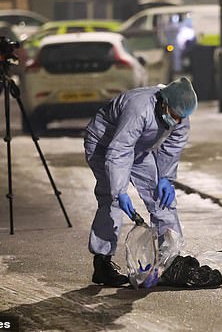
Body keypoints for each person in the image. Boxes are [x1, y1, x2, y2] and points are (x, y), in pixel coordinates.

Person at [84, 77, 198, 286]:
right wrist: (120, 191)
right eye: (174, 116)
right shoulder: (139, 108)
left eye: (181, 118)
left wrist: (165, 177)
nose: (178, 121)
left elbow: (172, 147)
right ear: (163, 103)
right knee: (112, 201)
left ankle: (171, 259)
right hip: (104, 144)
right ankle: (102, 262)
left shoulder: (180, 113)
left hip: (138, 149)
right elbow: (119, 151)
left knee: (162, 199)